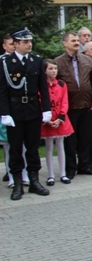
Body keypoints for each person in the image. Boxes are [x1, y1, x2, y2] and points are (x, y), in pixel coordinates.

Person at [0, 28, 52, 200]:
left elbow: (43, 88)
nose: (29, 44)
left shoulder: (36, 60)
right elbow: (2, 91)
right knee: (15, 149)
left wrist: (46, 109)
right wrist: (5, 113)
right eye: (25, 42)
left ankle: (34, 181)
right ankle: (17, 183)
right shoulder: (6, 63)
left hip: (32, 109)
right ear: (15, 44)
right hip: (15, 111)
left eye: (30, 41)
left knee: (33, 148)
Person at [54, 31, 92, 179]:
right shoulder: (58, 62)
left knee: (86, 137)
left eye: (77, 40)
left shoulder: (87, 60)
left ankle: (85, 165)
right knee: (70, 140)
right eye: (73, 40)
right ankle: (70, 168)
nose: (76, 43)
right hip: (69, 107)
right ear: (65, 43)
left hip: (87, 105)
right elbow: (55, 86)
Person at [1, 33, 29, 188]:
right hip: (8, 109)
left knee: (24, 145)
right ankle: (12, 176)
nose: (13, 46)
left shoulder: (26, 60)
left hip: (24, 110)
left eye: (14, 43)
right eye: (10, 44)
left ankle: (24, 175)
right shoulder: (3, 62)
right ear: (5, 46)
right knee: (9, 146)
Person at [41, 59, 74, 185]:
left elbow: (65, 102)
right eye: (50, 68)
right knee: (49, 147)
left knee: (60, 146)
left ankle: (63, 173)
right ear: (45, 71)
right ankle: (50, 175)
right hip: (48, 118)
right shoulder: (42, 85)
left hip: (60, 119)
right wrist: (48, 119)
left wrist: (60, 118)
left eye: (55, 68)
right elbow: (40, 102)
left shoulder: (61, 84)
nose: (54, 71)